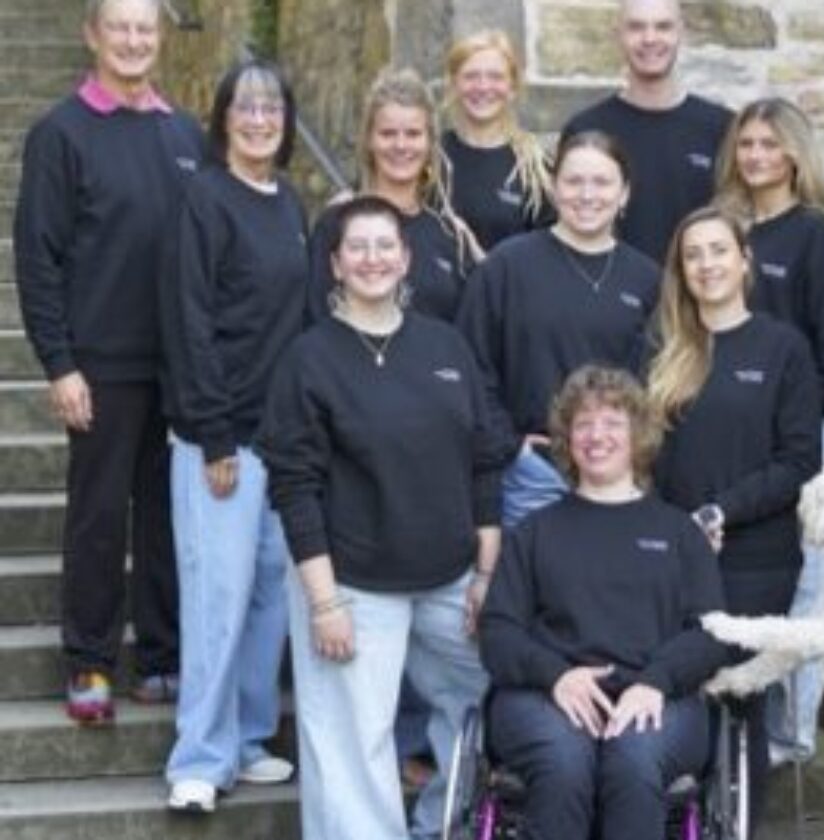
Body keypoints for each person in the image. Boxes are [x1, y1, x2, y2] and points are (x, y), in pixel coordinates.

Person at [256, 195, 510, 840]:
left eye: (385, 246)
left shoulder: (444, 344)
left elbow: (483, 463)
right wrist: (322, 603)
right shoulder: (309, 359)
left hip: (450, 577)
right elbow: (295, 487)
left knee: (493, 697)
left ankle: (437, 824)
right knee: (350, 743)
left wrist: (485, 574)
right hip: (352, 584)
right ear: (335, 264)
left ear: (406, 258)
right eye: (357, 247)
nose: (373, 258)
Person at [12, 0, 205, 724]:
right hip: (99, 365)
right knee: (98, 517)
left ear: (160, 40)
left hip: (179, 367)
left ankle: (160, 658)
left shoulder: (184, 133)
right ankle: (89, 661)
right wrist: (59, 362)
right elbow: (38, 259)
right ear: (92, 34)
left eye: (144, 29)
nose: (132, 41)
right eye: (118, 27)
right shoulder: (61, 134)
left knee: (167, 517)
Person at [480, 364, 727, 840]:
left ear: (639, 436)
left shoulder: (679, 533)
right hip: (545, 695)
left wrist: (656, 681)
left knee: (634, 758)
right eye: (583, 424)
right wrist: (555, 675)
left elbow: (709, 633)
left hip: (659, 697)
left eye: (613, 423)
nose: (597, 436)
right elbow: (497, 634)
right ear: (566, 439)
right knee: (563, 760)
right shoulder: (535, 533)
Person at [160, 59, 308, 813]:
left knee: (267, 604)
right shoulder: (204, 199)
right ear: (222, 118)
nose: (259, 119)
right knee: (218, 601)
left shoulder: (290, 203)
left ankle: (248, 739)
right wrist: (214, 434)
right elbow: (188, 320)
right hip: (219, 443)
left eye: (272, 107)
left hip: (281, 443)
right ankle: (199, 756)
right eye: (244, 107)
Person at [646, 206, 821, 826]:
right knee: (678, 688)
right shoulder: (663, 347)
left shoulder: (783, 349)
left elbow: (798, 459)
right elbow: (641, 458)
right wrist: (672, 527)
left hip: (756, 558)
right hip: (670, 553)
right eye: (693, 254)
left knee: (743, 700)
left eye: (719, 250)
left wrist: (724, 511)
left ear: (745, 261)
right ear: (681, 269)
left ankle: (739, 823)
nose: (707, 264)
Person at [715, 97, 824, 763]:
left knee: (808, 580)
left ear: (794, 155)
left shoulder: (818, 238)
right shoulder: (729, 233)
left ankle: (792, 731)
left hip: (808, 437)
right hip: (737, 436)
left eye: (768, 144)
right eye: (745, 144)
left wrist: (795, 414)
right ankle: (737, 713)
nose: (755, 156)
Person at [457, 131, 659, 527]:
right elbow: (469, 363)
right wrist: (511, 448)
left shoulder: (647, 279)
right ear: (553, 186)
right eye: (574, 181)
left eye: (602, 182)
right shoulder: (507, 266)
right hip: (532, 478)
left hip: (618, 476)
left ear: (625, 194)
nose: (587, 195)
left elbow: (658, 382)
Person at [561, 0, 732, 264]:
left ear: (681, 33)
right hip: (608, 295)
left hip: (697, 295)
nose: (649, 38)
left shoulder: (720, 127)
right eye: (636, 27)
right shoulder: (586, 129)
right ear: (618, 35)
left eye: (663, 26)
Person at [308, 67, 479, 324]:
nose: (401, 146)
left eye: (413, 134)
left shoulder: (449, 235)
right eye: (388, 133)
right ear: (369, 140)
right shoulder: (337, 223)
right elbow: (315, 319)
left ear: (430, 142)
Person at [442, 29, 553, 252]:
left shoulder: (534, 166)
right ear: (454, 83)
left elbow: (548, 258)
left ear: (512, 87)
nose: (483, 87)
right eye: (471, 76)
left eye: (495, 77)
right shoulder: (430, 157)